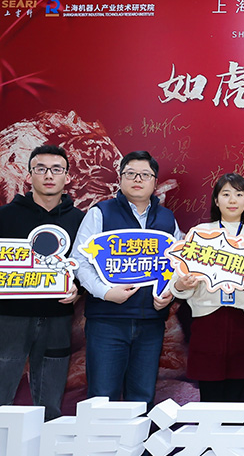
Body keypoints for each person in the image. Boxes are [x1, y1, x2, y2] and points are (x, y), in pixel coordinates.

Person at [0, 145, 85, 421]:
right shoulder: (4, 215)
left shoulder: (79, 219)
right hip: (10, 318)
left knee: (50, 403)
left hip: (56, 319)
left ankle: (46, 442)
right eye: (41, 169)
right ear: (29, 175)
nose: (49, 175)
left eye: (56, 169)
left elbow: (83, 266)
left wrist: (77, 289)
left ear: (67, 176)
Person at [71, 150, 182, 406]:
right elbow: (80, 261)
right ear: (120, 179)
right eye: (130, 173)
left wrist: (169, 293)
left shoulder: (167, 219)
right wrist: (105, 292)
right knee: (102, 397)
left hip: (151, 323)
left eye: (145, 174)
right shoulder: (100, 213)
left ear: (155, 182)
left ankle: (138, 435)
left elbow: (178, 263)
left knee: (141, 398)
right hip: (107, 322)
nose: (137, 179)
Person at [169, 173, 244, 402]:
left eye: (239, 194)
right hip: (207, 321)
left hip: (243, 322)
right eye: (226, 194)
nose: (232, 200)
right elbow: (179, 280)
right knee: (210, 398)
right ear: (216, 200)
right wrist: (183, 284)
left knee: (236, 398)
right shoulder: (200, 232)